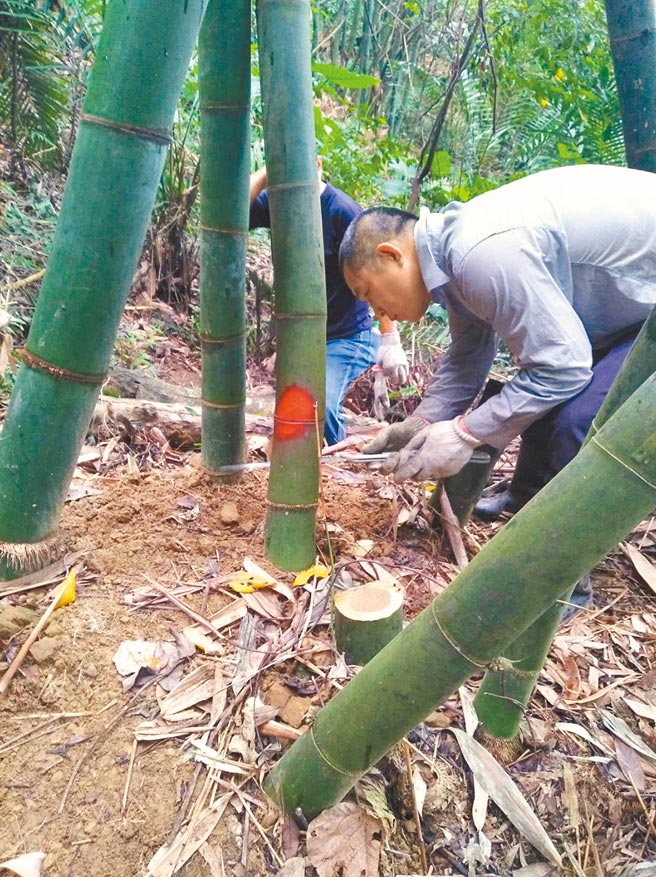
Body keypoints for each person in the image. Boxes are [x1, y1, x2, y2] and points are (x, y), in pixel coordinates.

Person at [338, 164, 656, 608]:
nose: (378, 312)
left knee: (577, 422)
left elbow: (562, 368)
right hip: (625, 311)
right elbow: (469, 357)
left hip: (644, 312)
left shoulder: (479, 253)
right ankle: (525, 501)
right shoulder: (452, 258)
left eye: (368, 293)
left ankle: (560, 586)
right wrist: (419, 423)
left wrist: (464, 433)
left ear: (392, 255)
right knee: (544, 403)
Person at [249, 159, 409, 445]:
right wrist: (267, 172)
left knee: (319, 403)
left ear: (318, 164)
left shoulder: (343, 212)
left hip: (348, 336)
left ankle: (337, 462)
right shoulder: (281, 203)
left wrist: (390, 339)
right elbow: (231, 212)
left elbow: (377, 275)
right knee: (292, 407)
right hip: (302, 338)